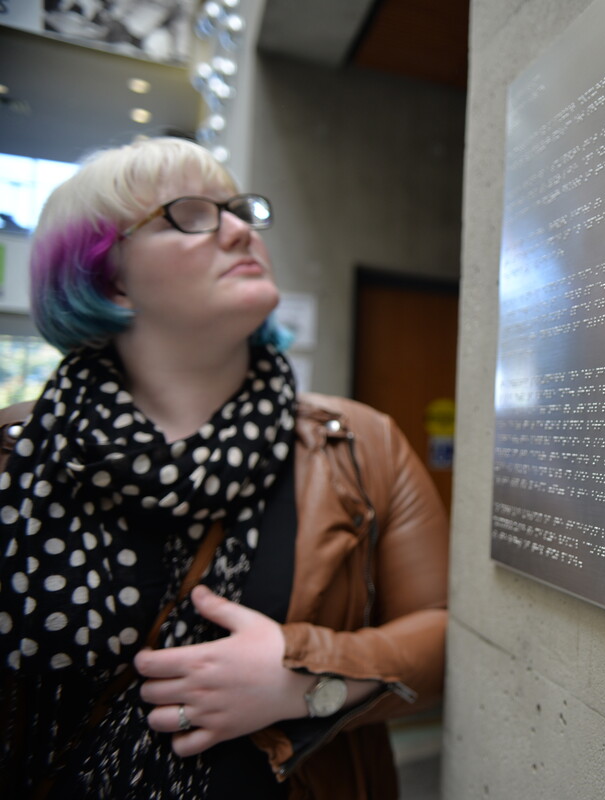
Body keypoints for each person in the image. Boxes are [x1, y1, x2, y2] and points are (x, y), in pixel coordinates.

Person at [0, 137, 449, 799]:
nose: (241, 230)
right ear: (109, 278)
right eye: (190, 212)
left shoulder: (359, 443)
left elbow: (442, 632)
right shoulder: (18, 456)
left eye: (240, 209)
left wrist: (309, 679)